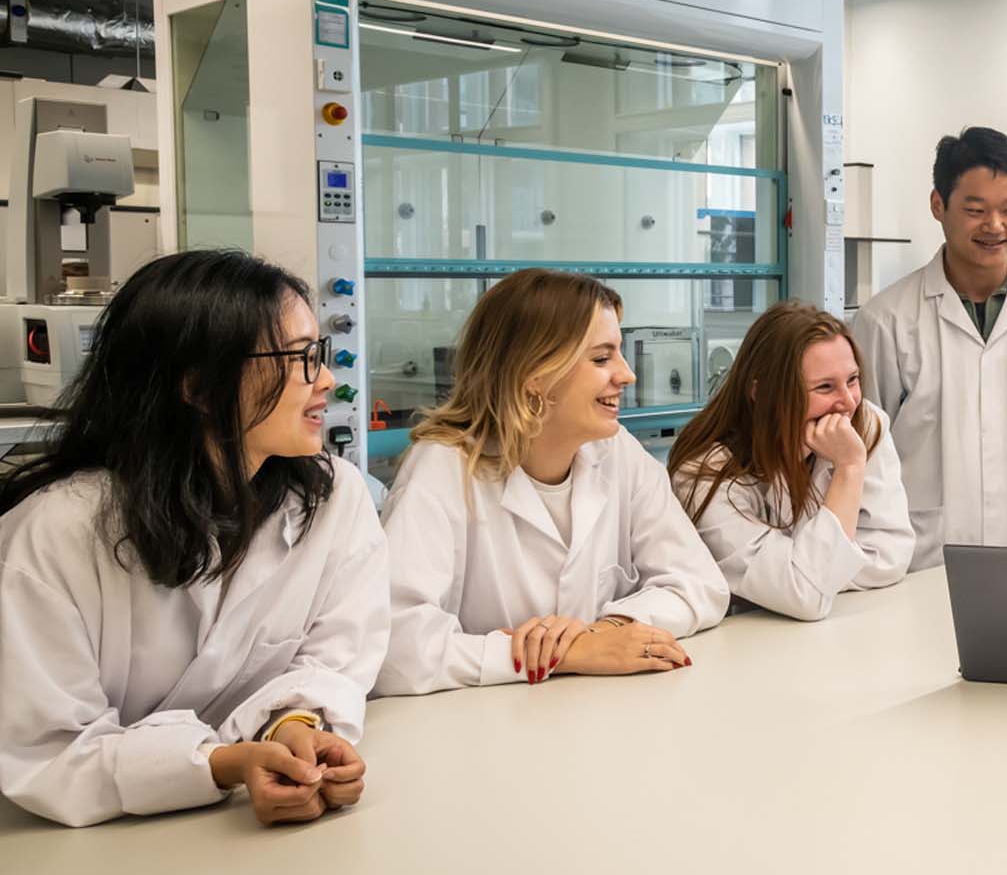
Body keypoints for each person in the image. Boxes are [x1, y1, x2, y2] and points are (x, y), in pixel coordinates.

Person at [0, 250, 388, 827]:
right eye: (300, 358)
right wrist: (221, 763)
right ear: (200, 388)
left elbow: (337, 657)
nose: (327, 379)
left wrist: (296, 727)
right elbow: (48, 754)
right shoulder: (56, 534)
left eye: (320, 354)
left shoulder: (333, 497)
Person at [376, 269, 727, 696]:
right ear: (535, 374)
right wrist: (559, 655)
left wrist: (610, 628)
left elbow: (699, 583)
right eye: (602, 358)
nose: (627, 375)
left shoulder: (617, 451)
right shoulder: (443, 469)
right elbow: (394, 649)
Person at [852, 126, 1007, 568]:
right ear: (938, 205)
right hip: (923, 560)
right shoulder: (884, 320)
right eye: (976, 209)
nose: (995, 226)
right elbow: (866, 451)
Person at [669, 302, 913, 620]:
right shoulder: (704, 472)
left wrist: (814, 570)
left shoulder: (866, 424)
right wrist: (849, 469)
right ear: (762, 392)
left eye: (852, 380)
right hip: (741, 648)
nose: (849, 402)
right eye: (825, 386)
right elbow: (806, 594)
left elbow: (892, 552)